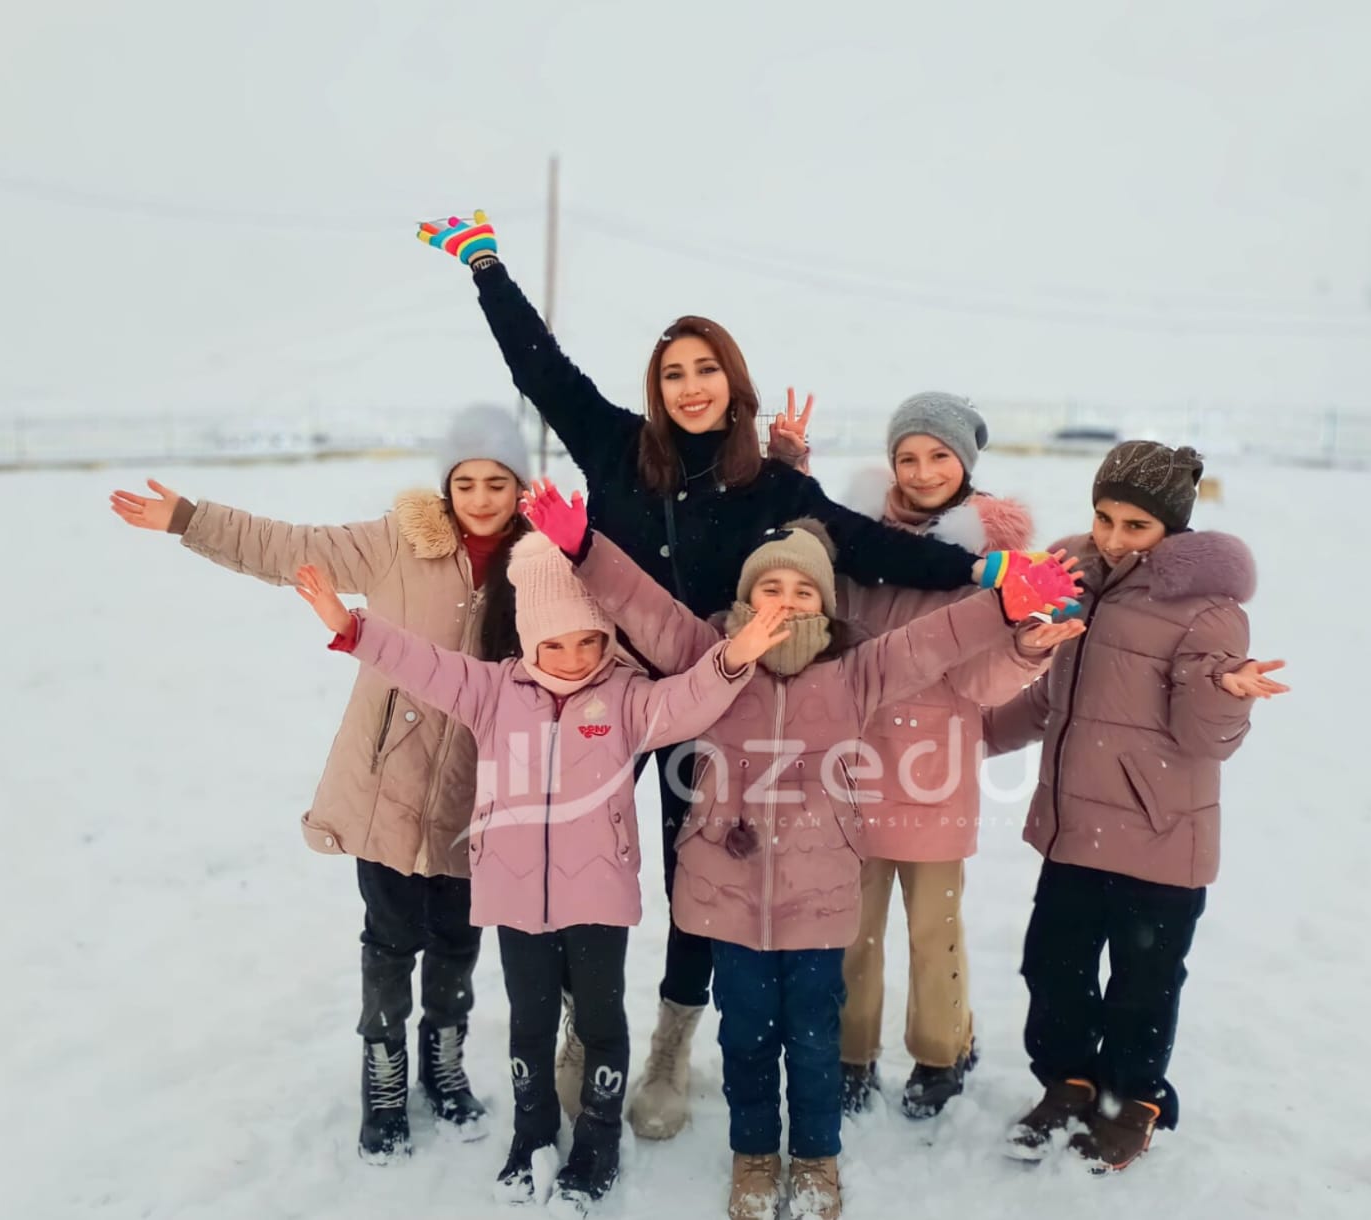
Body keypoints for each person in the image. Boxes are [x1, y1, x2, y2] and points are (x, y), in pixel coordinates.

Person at [420, 210, 1004, 1140]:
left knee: (698, 882)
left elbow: (865, 546)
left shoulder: (772, 487)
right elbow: (540, 370)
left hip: (712, 712)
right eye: (673, 372)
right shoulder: (613, 446)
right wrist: (487, 267)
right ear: (656, 388)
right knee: (579, 866)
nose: (691, 387)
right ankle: (581, 1026)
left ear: (734, 382)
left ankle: (667, 1045)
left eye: (706, 369)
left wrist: (978, 571)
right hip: (599, 693)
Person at [523, 479, 1083, 1219]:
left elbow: (932, 642)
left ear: (825, 603)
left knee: (815, 1044)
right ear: (747, 601)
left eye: (803, 589)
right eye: (770, 587)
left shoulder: (855, 673)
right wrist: (583, 548)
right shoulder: (707, 652)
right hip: (726, 898)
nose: (786, 599)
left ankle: (816, 1157)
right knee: (748, 1041)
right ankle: (754, 1157)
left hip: (819, 901)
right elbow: (641, 606)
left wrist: (1006, 605)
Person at [294, 535, 785, 1212]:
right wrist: (352, 629)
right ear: (529, 640)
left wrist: (733, 656)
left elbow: (689, 701)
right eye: (555, 645)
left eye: (587, 642)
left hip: (596, 896)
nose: (573, 658)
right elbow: (421, 663)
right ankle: (531, 1134)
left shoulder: (626, 698)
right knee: (529, 1022)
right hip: (514, 894)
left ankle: (598, 1137)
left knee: (598, 1020)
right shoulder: (495, 691)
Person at [108, 407, 530, 1159]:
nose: (480, 496)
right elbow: (290, 548)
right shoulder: (397, 543)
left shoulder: (537, 564)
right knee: (392, 937)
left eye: (496, 481)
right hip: (385, 785)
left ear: (519, 484)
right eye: (465, 481)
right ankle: (384, 1070)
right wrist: (189, 519)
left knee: (460, 939)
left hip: (480, 792)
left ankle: (444, 1057)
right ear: (446, 486)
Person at [982, 441, 1288, 1172]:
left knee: (1141, 985)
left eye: (1134, 525)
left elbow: (1201, 739)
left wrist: (1225, 692)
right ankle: (1068, 1081)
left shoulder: (1206, 612)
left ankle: (1131, 1101)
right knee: (1050, 970)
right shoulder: (1077, 583)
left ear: (1171, 530)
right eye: (1103, 517)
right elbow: (1049, 699)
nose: (1112, 537)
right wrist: (962, 733)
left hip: (1159, 836)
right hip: (1074, 828)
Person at [827, 391, 1077, 1119]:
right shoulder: (858, 544)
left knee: (933, 931)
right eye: (907, 455)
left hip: (933, 773)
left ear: (964, 463)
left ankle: (941, 1053)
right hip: (856, 767)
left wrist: (1027, 648)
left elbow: (980, 681)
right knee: (852, 928)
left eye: (937, 455)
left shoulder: (991, 560)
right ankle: (852, 1053)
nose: (922, 469)